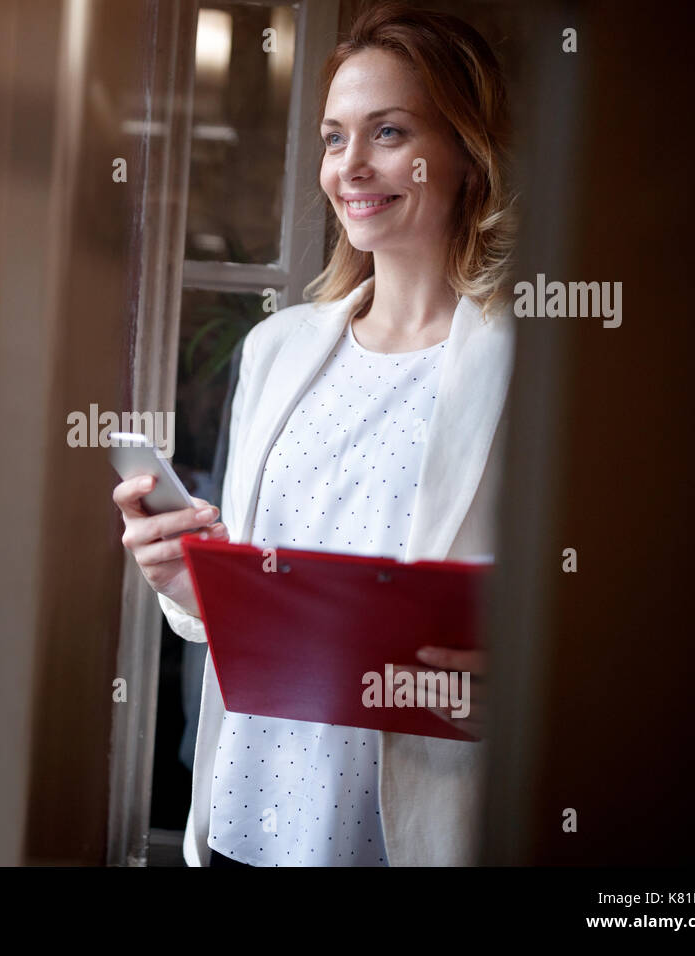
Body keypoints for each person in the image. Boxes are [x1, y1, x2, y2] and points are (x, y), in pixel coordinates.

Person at [112, 2, 517, 867]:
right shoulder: (278, 347)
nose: (351, 166)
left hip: (409, 826)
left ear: (466, 151)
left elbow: (589, 614)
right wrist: (189, 583)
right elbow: (259, 601)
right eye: (335, 138)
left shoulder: (532, 365)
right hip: (247, 811)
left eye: (389, 131)